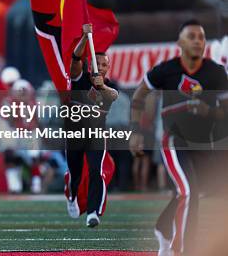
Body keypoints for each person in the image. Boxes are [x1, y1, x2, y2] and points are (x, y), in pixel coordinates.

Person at [129, 20, 228, 256]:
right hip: (174, 140)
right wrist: (135, 131)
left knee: (196, 190)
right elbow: (139, 94)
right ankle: (183, 250)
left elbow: (225, 111)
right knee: (187, 192)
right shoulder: (166, 70)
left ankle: (163, 229)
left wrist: (209, 111)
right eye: (191, 36)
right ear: (180, 42)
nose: (197, 41)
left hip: (204, 144)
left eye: (201, 37)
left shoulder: (215, 72)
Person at [65, 24, 119, 228]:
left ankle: (93, 212)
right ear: (91, 64)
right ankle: (72, 196)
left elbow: (113, 96)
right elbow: (75, 59)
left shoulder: (110, 86)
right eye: (98, 63)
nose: (102, 67)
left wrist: (101, 85)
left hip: (96, 135)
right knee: (75, 172)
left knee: (97, 171)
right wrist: (86, 38)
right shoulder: (80, 79)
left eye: (105, 64)